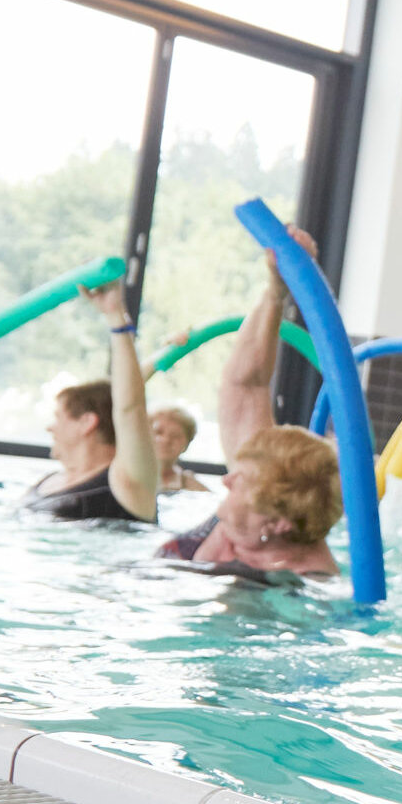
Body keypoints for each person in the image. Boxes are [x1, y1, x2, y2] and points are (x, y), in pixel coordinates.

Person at [153, 231, 345, 578]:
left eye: (241, 481)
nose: (227, 481)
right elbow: (245, 385)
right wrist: (276, 291)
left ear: (277, 523)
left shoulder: (300, 587)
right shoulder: (259, 496)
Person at [24, 284, 158, 523]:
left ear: (87, 422)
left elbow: (131, 408)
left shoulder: (128, 482)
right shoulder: (46, 482)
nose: (50, 427)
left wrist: (115, 316)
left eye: (58, 417)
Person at [149, 407, 208, 493]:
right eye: (159, 432)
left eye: (175, 436)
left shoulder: (194, 488)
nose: (166, 440)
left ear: (186, 445)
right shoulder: (127, 478)